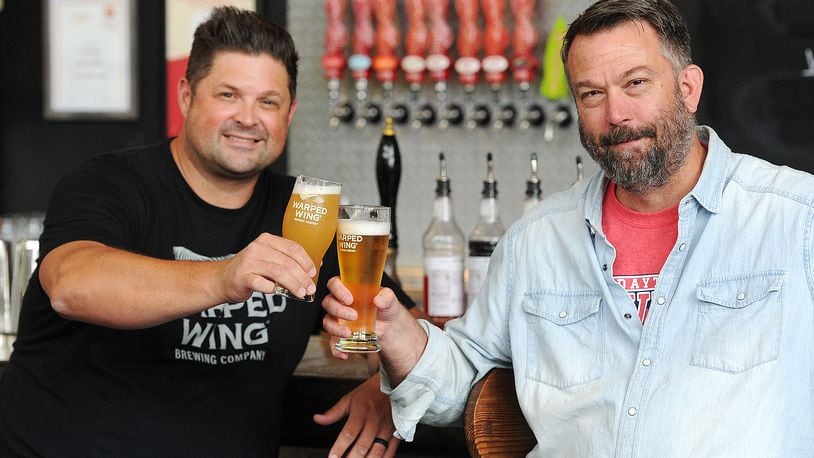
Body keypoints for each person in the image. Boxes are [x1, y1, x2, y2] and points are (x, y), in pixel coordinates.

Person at [322, 0, 814, 455]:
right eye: (591, 93)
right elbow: (459, 383)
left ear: (687, 88)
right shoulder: (537, 240)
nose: (616, 114)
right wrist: (397, 333)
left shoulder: (795, 216)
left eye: (636, 83)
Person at [0, 7, 413, 457]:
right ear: (186, 96)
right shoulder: (109, 183)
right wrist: (223, 277)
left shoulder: (308, 211)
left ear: (289, 113)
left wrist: (388, 387)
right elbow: (70, 284)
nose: (248, 118)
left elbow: (400, 320)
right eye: (228, 95)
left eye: (268, 102)